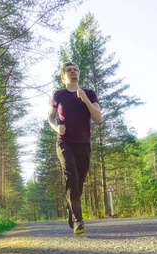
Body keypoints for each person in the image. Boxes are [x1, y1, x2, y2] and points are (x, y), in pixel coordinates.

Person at [48, 62, 102, 234]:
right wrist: (56, 127)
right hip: (64, 142)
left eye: (76, 70)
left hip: (83, 143)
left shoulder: (89, 93)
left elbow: (98, 118)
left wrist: (85, 99)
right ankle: (78, 220)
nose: (73, 72)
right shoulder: (58, 95)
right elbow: (50, 117)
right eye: (69, 70)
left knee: (79, 181)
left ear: (79, 74)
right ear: (63, 77)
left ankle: (71, 209)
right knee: (71, 174)